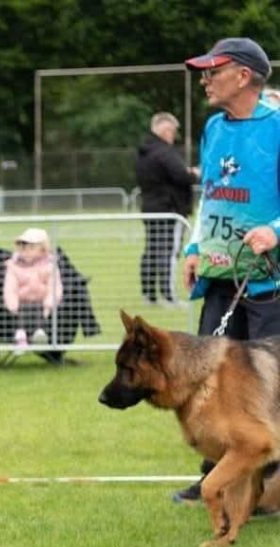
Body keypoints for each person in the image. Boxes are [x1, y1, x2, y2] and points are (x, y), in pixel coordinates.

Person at [173, 38, 280, 504]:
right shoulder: (213, 127)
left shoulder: (277, 128)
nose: (205, 80)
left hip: (270, 279)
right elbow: (211, 196)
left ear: (243, 76)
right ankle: (214, 476)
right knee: (211, 379)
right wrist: (195, 247)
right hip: (219, 276)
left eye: (213, 71)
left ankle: (269, 489)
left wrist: (275, 230)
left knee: (267, 387)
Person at [135, 112, 200, 306]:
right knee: (169, 252)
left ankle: (149, 294)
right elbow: (181, 176)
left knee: (152, 250)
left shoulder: (144, 152)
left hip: (150, 208)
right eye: (173, 131)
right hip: (170, 209)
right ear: (165, 130)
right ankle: (169, 296)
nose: (174, 136)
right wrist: (194, 173)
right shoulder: (164, 152)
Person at [2, 228, 62, 353]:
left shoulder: (50, 266)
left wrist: (49, 303)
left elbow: (54, 286)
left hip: (42, 303)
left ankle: (39, 333)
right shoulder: (13, 266)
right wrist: (12, 305)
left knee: (39, 310)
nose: (26, 252)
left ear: (42, 250)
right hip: (22, 302)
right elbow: (10, 287)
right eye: (23, 248)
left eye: (31, 248)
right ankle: (21, 337)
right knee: (23, 310)